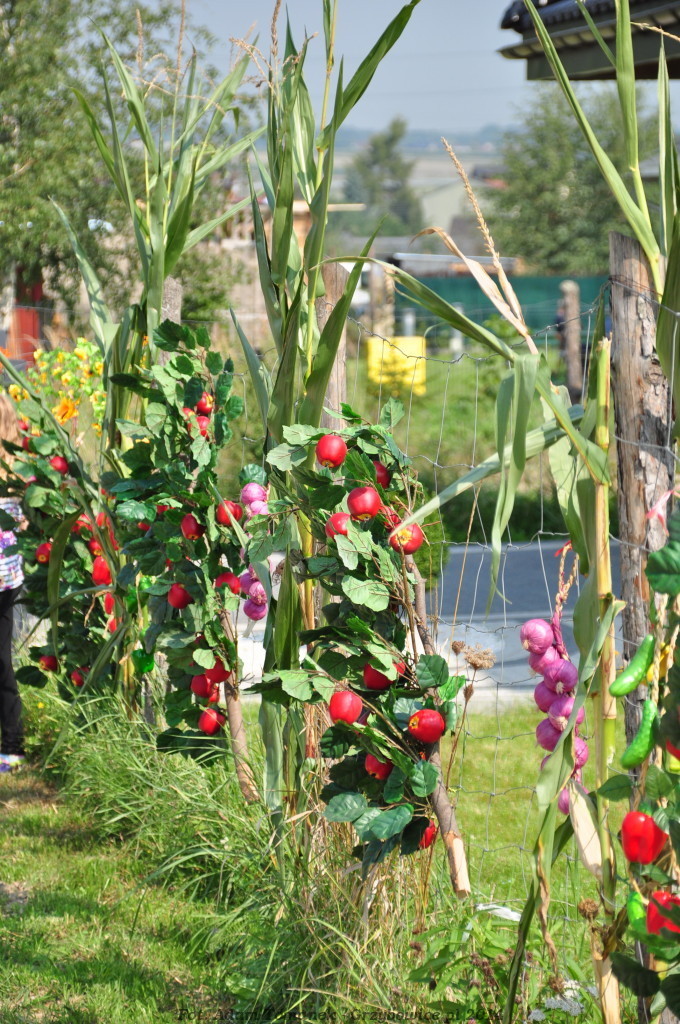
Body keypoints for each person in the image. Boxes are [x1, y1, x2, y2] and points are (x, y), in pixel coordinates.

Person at [0, 393, 25, 773]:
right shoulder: (20, 472)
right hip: (8, 580)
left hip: (5, 579)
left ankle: (13, 746)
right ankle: (12, 746)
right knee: (2, 663)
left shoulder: (18, 474)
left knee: (2, 663)